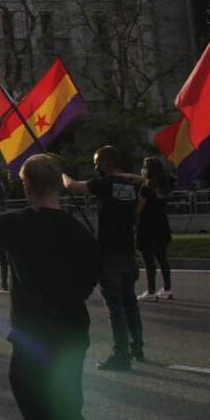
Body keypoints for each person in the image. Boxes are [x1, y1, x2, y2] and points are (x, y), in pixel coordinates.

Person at [0, 157, 102, 420]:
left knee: (39, 414)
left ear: (26, 186)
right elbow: (91, 277)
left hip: (33, 340)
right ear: (58, 185)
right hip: (71, 334)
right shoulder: (80, 231)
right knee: (69, 411)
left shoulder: (18, 224)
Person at [64, 145, 147, 370]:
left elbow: (73, 186)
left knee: (115, 307)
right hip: (129, 252)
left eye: (97, 163)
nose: (96, 167)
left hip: (109, 254)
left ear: (105, 163)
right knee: (130, 303)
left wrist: (61, 172)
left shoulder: (105, 184)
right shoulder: (131, 185)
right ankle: (137, 346)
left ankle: (121, 354)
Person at [138, 158, 174, 301]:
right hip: (162, 224)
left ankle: (151, 290)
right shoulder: (165, 185)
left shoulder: (146, 188)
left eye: (144, 167)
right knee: (162, 258)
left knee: (149, 259)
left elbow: (139, 208)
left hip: (147, 225)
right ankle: (167, 289)